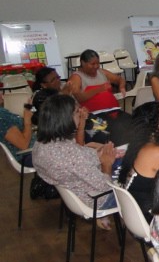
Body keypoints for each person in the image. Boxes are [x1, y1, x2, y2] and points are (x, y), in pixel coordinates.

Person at [32, 94, 117, 228]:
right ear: (66, 118)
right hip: (97, 200)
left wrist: (98, 154)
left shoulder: (41, 144)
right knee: (138, 183)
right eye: (77, 112)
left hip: (76, 193)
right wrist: (106, 164)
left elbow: (78, 158)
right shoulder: (71, 155)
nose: (81, 113)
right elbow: (106, 187)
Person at [117, 102, 159, 222]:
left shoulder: (141, 145)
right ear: (156, 124)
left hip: (135, 216)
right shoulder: (156, 152)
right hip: (151, 218)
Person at [66, 49, 132, 145]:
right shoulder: (76, 77)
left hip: (113, 111)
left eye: (98, 63)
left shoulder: (102, 72)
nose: (96, 66)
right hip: (93, 116)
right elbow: (79, 97)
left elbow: (119, 79)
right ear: (83, 63)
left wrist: (122, 86)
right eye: (92, 64)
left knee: (132, 122)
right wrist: (99, 89)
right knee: (114, 129)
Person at [0, 93, 35, 167]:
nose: (1, 94)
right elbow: (23, 145)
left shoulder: (2, 112)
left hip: (33, 149)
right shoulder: (2, 118)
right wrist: (27, 121)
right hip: (25, 155)